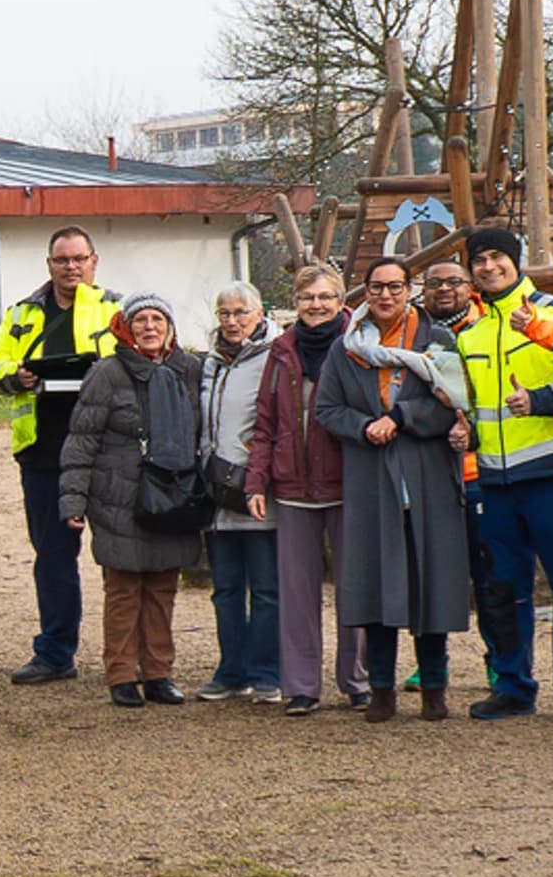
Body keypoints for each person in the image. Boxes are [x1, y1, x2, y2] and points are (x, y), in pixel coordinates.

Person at [313, 256, 473, 722]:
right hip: (371, 474)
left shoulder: (436, 340)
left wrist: (402, 418)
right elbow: (327, 408)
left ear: (410, 290)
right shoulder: (346, 349)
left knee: (432, 583)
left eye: (395, 287)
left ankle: (435, 687)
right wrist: (365, 426)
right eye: (376, 287)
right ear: (364, 292)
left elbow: (454, 402)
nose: (385, 296)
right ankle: (380, 687)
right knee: (377, 586)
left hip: (427, 473)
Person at [456, 226, 553, 722]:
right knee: (500, 590)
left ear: (515, 261)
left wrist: (539, 401)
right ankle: (513, 685)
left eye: (498, 256)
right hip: (496, 481)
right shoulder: (470, 333)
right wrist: (467, 432)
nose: (489, 266)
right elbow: (473, 405)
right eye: (480, 260)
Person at [0, 227, 119, 685]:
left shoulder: (114, 308)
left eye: (79, 259)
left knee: (123, 553)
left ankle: (131, 658)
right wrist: (14, 374)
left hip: (106, 450)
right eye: (62, 260)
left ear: (94, 261)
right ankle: (56, 653)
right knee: (54, 556)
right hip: (43, 453)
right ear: (50, 265)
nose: (71, 267)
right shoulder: (22, 313)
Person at [61, 292, 208, 707]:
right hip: (118, 496)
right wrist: (73, 500)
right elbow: (81, 440)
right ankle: (122, 674)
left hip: (174, 494)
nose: (149, 327)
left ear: (170, 327)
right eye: (140, 319)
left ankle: (159, 671)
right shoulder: (107, 374)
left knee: (163, 586)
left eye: (157, 319)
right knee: (124, 587)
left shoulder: (190, 370)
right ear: (126, 327)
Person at [248, 264, 370, 716]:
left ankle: (357, 680)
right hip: (293, 486)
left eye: (324, 297)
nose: (315, 305)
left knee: (354, 587)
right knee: (297, 593)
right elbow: (265, 423)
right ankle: (301, 685)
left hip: (347, 484)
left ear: (341, 301)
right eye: (306, 298)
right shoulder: (280, 352)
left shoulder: (358, 347)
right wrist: (256, 480)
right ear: (295, 303)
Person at [200, 280, 282, 699]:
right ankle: (230, 669)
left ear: (259, 314)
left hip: (257, 489)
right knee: (226, 589)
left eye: (240, 313)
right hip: (218, 492)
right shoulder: (210, 361)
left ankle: (267, 670)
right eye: (224, 313)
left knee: (267, 589)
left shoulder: (275, 357)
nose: (232, 322)